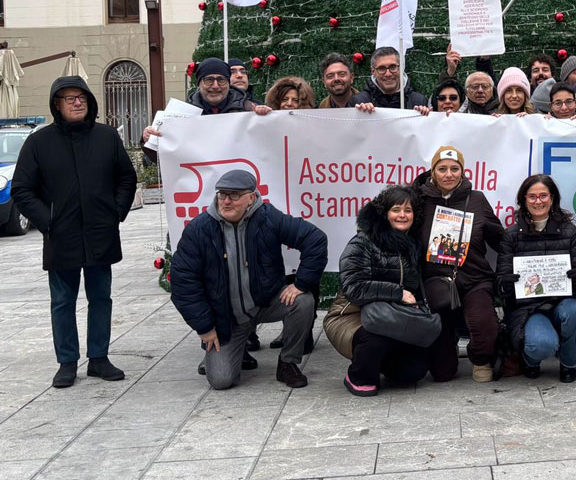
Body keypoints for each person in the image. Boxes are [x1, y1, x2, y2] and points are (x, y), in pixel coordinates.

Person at [12, 76, 137, 389]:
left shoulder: (107, 137)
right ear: (57, 105)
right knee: (62, 302)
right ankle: (67, 362)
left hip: (100, 233)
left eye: (81, 97)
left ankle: (99, 358)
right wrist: (48, 220)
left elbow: (126, 178)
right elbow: (22, 189)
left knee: (101, 298)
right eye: (69, 98)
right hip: (62, 237)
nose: (77, 102)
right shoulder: (39, 142)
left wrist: (115, 213)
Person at [169, 170, 327, 390]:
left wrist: (301, 284)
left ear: (251, 198)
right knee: (221, 380)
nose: (226, 201)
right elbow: (182, 282)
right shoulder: (199, 230)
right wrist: (204, 327)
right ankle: (235, 349)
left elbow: (315, 239)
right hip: (227, 318)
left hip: (265, 303)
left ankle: (288, 363)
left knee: (303, 301)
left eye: (234, 195)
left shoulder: (269, 217)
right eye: (222, 194)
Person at [413, 147, 506, 381]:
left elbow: (499, 239)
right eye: (442, 169)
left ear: (462, 172)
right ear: (433, 172)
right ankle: (447, 349)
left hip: (475, 277)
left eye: (455, 169)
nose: (449, 174)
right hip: (435, 279)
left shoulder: (476, 199)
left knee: (485, 324)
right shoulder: (419, 201)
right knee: (442, 373)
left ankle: (482, 358)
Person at [340, 186, 440, 395]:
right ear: (385, 213)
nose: (402, 215)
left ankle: (382, 364)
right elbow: (354, 287)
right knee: (378, 336)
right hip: (354, 314)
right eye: (396, 209)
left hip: (396, 313)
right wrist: (398, 293)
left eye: (408, 210)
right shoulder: (364, 241)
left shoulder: (414, 244)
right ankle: (358, 374)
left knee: (414, 372)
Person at [497, 175, 576, 383]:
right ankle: (531, 360)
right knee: (541, 345)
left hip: (565, 302)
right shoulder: (511, 235)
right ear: (524, 200)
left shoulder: (569, 231)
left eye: (543, 196)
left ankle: (568, 358)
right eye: (532, 197)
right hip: (529, 308)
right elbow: (500, 283)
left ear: (552, 198)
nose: (538, 201)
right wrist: (507, 282)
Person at [352, 47, 430, 110]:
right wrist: (360, 115)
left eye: (393, 67)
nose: (388, 74)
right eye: (382, 68)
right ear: (373, 71)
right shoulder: (358, 102)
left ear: (401, 68)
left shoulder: (419, 101)